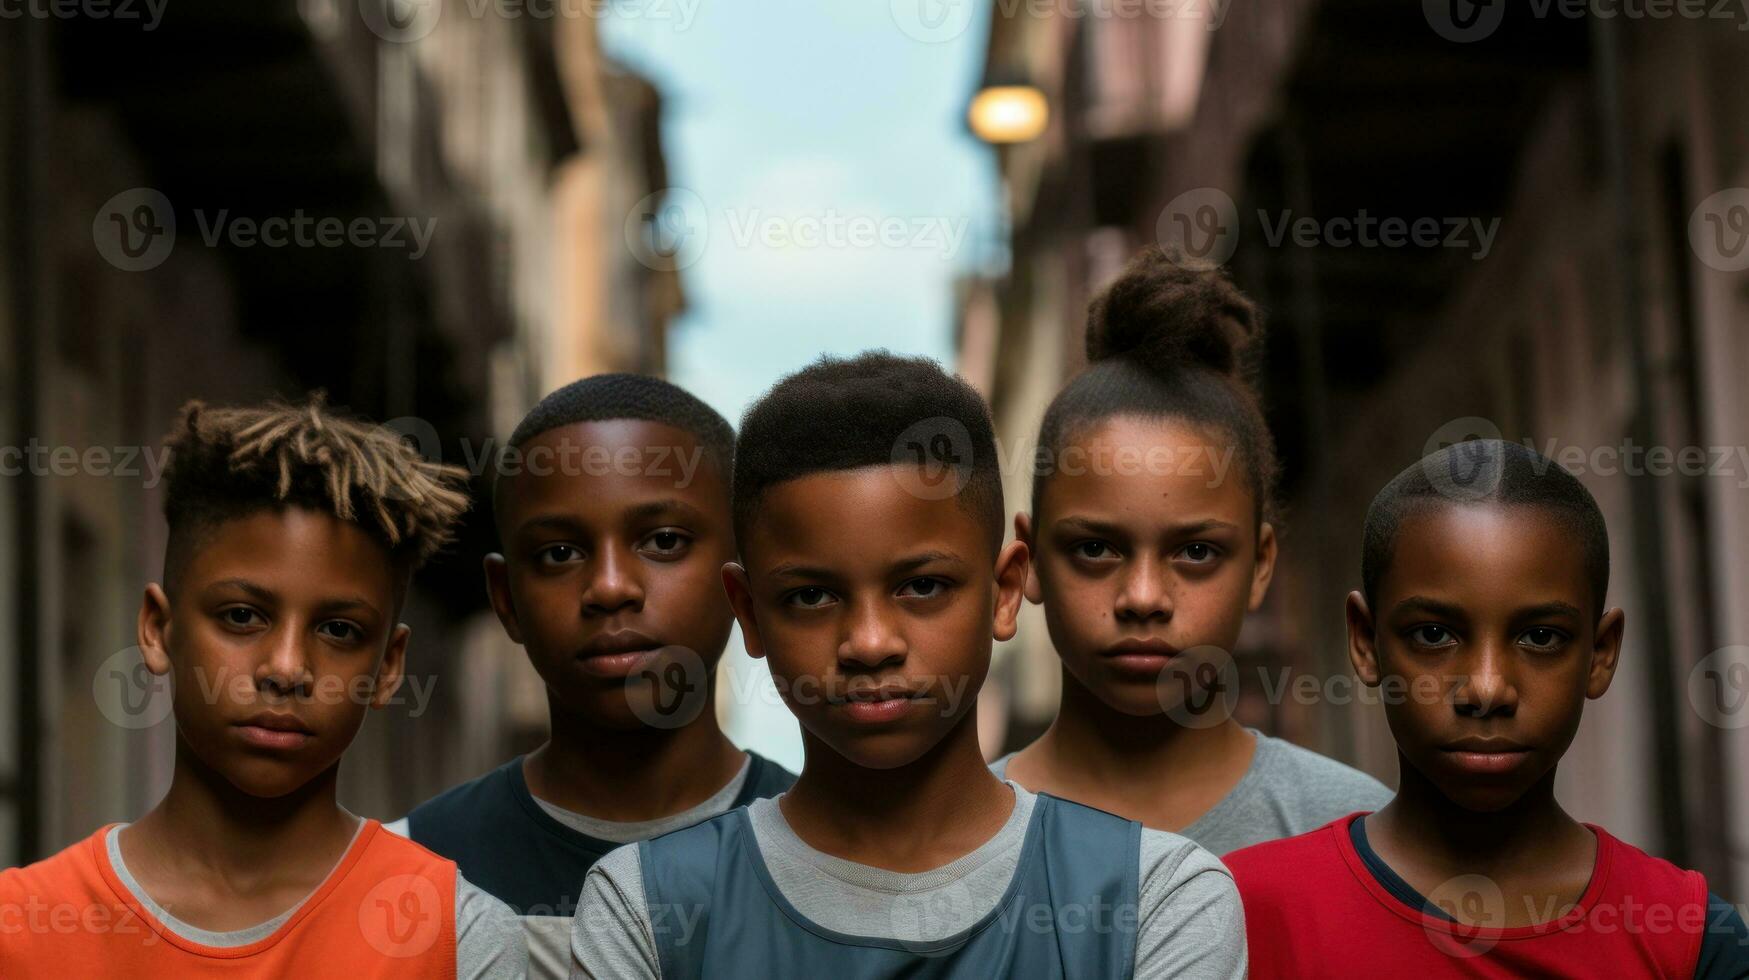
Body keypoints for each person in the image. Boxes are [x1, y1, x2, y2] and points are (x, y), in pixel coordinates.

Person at [571, 351, 1247, 978]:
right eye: (811, 596)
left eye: (921, 587)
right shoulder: (642, 910)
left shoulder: (1157, 897)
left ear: (1005, 591)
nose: (868, 643)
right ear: (748, 613)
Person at [0, 397, 525, 978]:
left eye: (338, 630)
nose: (287, 667)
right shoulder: (19, 929)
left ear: (387, 667)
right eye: (242, 617)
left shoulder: (457, 936)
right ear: (157, 630)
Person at [1225, 439, 1749, 977]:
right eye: (1433, 634)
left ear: (1600, 653)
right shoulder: (1242, 912)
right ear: (1365, 642)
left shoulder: (1688, 939)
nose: (1487, 688)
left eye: (1541, 637)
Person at [389, 374, 794, 976]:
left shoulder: (829, 854)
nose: (609, 587)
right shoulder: (408, 867)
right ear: (506, 599)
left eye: (663, 540)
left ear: (745, 578)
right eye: (559, 553)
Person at [996, 246, 1389, 854]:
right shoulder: (954, 847)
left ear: (1261, 566)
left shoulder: (1355, 835)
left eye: (1198, 553)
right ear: (1030, 564)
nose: (1144, 598)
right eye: (1095, 549)